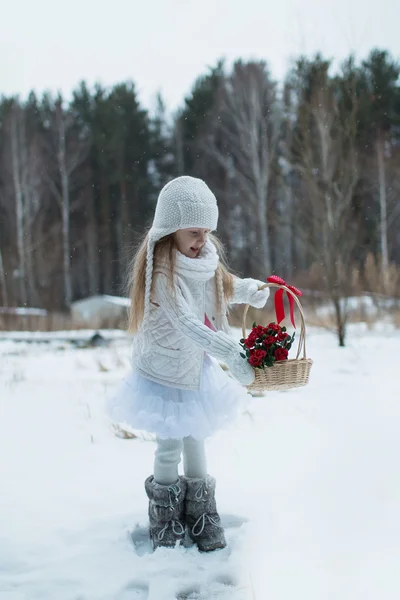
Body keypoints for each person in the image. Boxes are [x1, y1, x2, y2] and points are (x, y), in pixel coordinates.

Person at [107, 176, 269, 552]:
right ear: (171, 229)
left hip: (195, 368)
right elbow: (187, 322)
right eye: (194, 232)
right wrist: (230, 353)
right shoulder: (162, 272)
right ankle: (164, 516)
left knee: (197, 439)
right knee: (169, 446)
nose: (202, 240)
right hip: (166, 372)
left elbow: (223, 283)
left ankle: (200, 511)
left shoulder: (204, 260)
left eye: (207, 231)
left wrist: (251, 290)